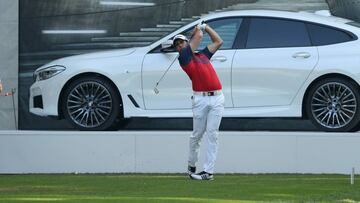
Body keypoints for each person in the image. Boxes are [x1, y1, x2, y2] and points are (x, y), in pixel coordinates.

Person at [173, 22, 224, 180]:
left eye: (181, 42)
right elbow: (199, 36)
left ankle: (208, 172)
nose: (179, 46)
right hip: (200, 100)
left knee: (212, 134)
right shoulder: (184, 57)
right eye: (177, 45)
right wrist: (198, 28)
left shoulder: (203, 55)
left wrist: (206, 26)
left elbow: (218, 42)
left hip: (217, 98)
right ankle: (192, 164)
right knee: (197, 135)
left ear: (186, 42)